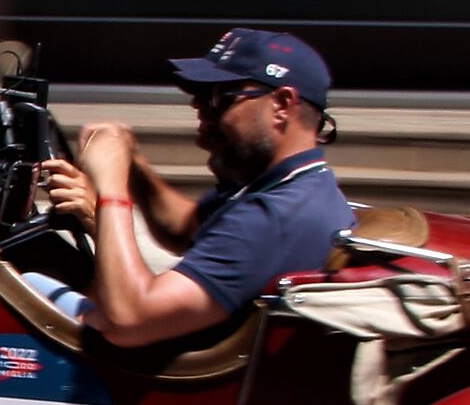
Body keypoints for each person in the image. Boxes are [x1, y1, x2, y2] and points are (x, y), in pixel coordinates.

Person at [35, 28, 355, 348]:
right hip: (169, 355)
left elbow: (130, 320)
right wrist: (134, 165)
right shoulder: (285, 186)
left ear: (282, 104)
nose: (202, 124)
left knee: (12, 293)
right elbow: (184, 228)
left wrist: (111, 188)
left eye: (219, 99)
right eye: (199, 102)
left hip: (156, 379)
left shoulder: (275, 216)